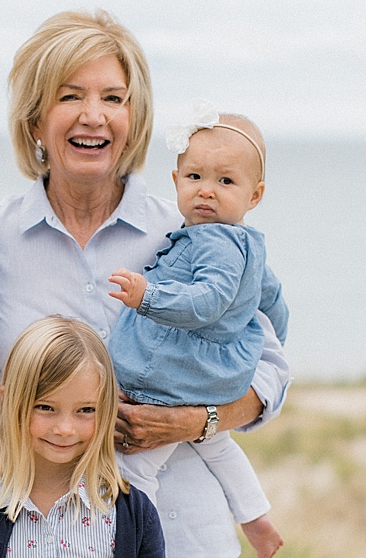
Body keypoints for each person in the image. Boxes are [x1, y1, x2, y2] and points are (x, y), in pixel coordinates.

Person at [0, 10, 291, 556]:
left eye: (114, 99)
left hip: (188, 531)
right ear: (34, 120)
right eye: (70, 96)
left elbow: (270, 370)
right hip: (45, 537)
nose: (93, 117)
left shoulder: (195, 232)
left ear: (135, 117)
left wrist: (194, 420)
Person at [107, 104, 285, 557]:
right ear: (175, 182)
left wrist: (147, 296)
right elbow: (274, 305)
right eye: (195, 178)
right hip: (208, 377)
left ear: (255, 194)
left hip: (173, 373)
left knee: (136, 467)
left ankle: (133, 541)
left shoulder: (215, 242)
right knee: (217, 447)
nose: (207, 192)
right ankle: (256, 517)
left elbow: (207, 302)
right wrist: (246, 341)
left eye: (225, 181)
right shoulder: (248, 244)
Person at [0, 316, 165, 557]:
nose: (65, 429)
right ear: (9, 401)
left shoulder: (136, 515)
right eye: (46, 407)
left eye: (85, 410)